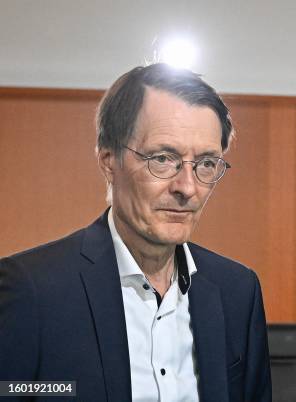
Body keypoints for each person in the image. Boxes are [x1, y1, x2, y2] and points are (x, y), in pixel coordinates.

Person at [0, 63, 271, 402]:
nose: (187, 188)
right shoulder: (32, 288)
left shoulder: (238, 290)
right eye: (162, 158)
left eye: (205, 163)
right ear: (108, 161)